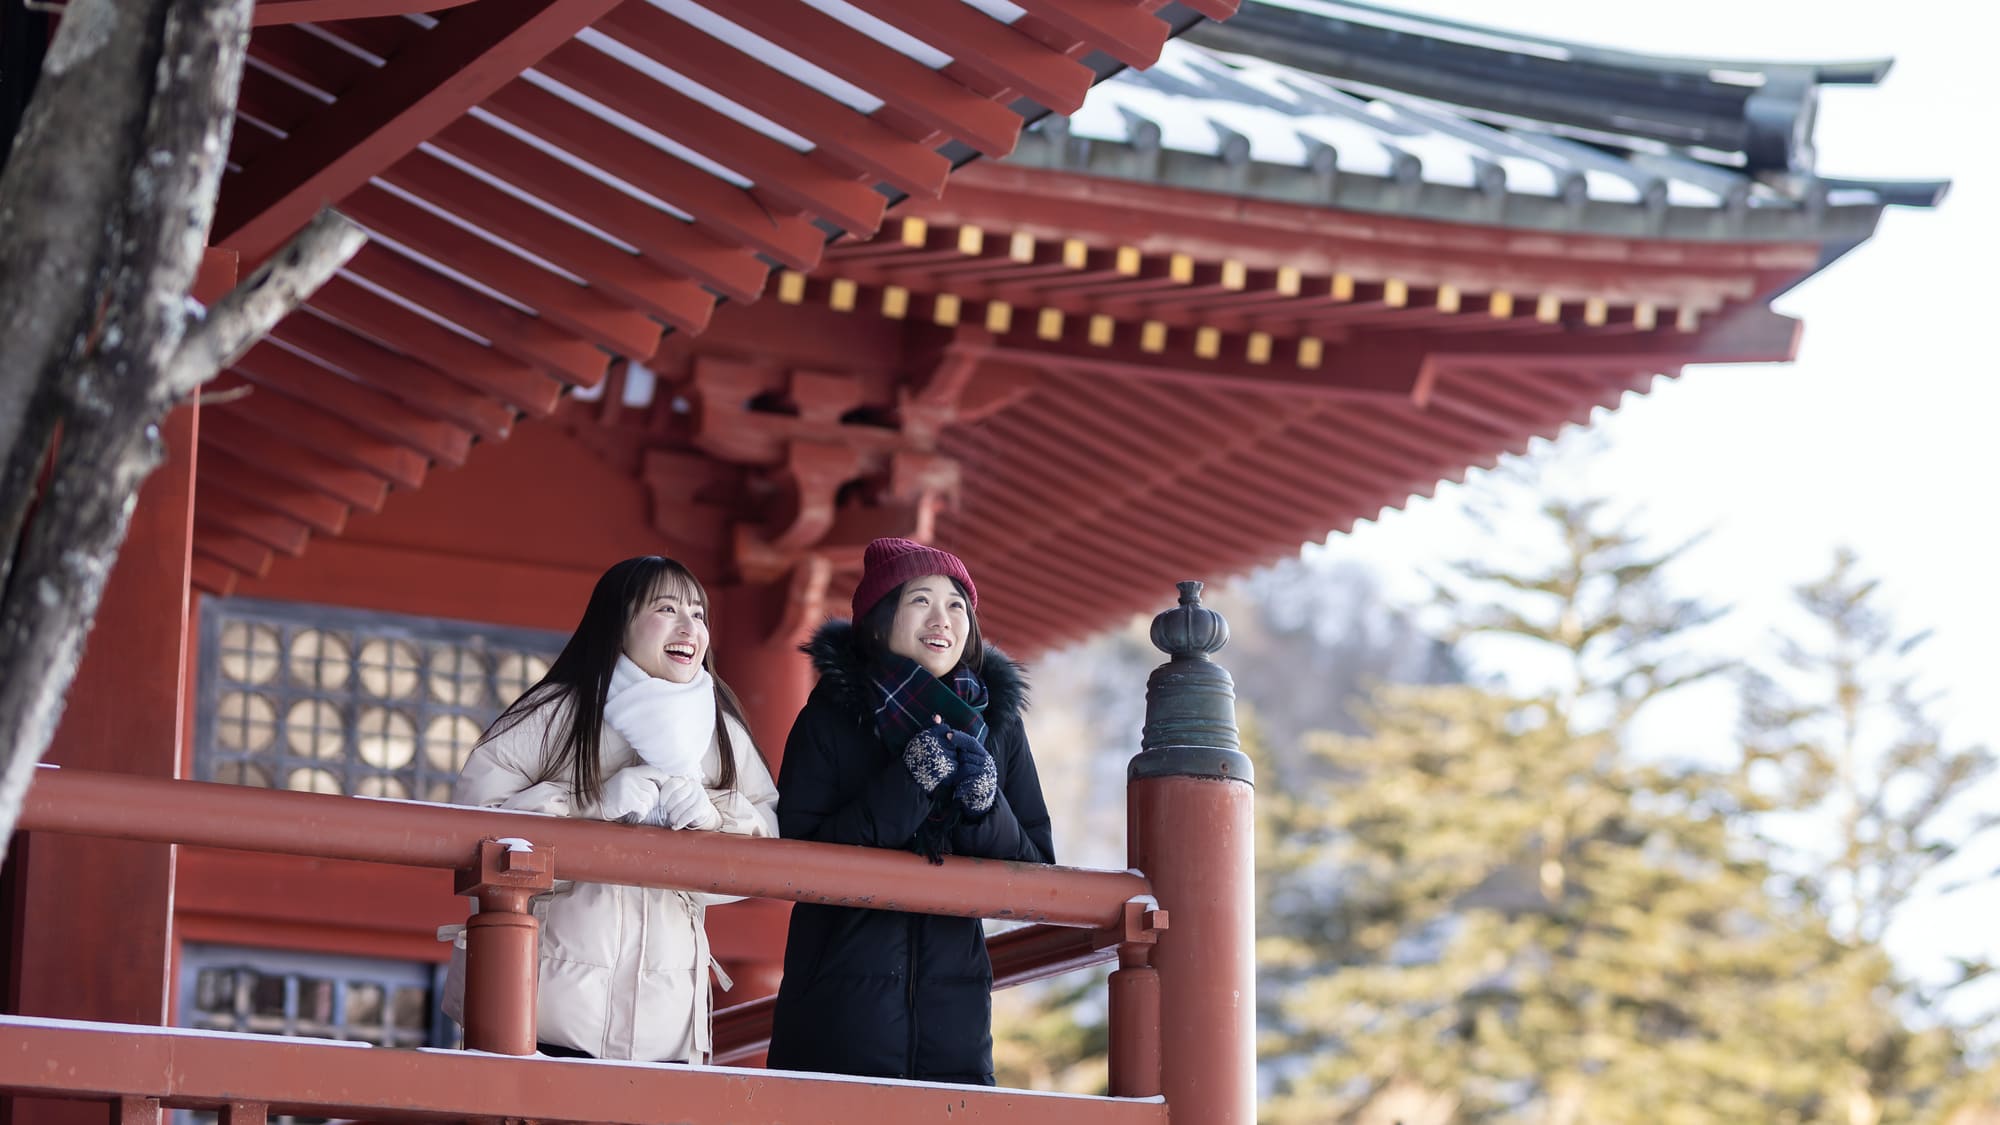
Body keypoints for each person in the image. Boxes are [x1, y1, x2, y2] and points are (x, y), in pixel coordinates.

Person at [450, 555, 778, 1062]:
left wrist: (714, 817)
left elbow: (771, 848)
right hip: (544, 1011)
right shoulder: (556, 714)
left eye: (698, 613)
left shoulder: (720, 732)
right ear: (618, 621)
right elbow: (475, 821)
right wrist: (589, 806)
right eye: (667, 608)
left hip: (667, 1024)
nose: (689, 626)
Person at [765, 537, 1054, 1085]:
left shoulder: (998, 726)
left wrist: (983, 805)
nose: (942, 619)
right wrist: (910, 784)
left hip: (956, 1017)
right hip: (840, 1013)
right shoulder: (830, 717)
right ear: (879, 617)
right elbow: (797, 857)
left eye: (956, 605)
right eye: (920, 600)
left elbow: (1036, 867)